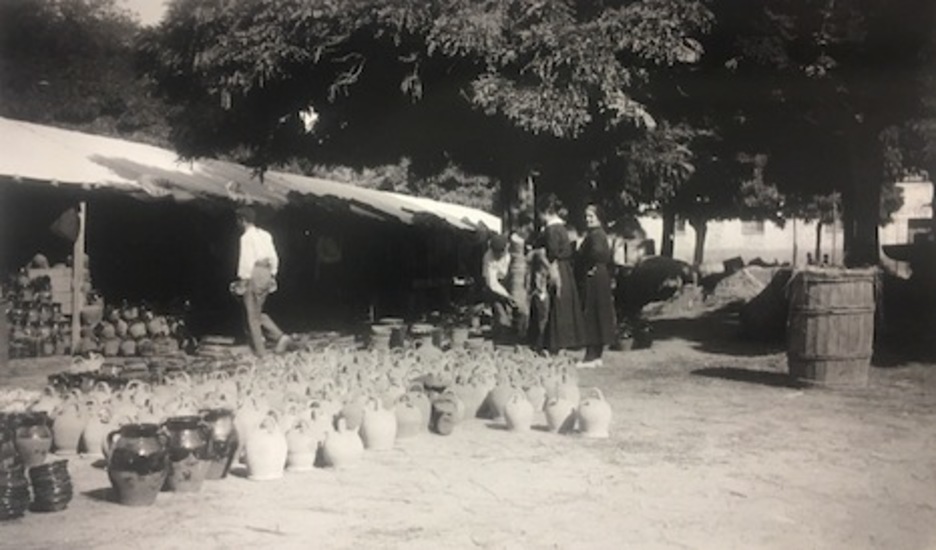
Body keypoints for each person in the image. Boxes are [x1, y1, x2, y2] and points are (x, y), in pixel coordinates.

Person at [230, 207, 290, 356]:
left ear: (242, 220)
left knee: (251, 315)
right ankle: (281, 337)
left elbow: (246, 260)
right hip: (266, 271)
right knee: (257, 312)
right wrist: (272, 275)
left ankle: (260, 352)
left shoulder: (246, 238)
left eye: (238, 220)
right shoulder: (265, 235)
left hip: (254, 272)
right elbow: (274, 256)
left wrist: (243, 280)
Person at [534, 194, 585, 354]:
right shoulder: (562, 228)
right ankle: (565, 340)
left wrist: (541, 257)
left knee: (556, 303)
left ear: (546, 212)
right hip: (565, 267)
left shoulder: (552, 229)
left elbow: (552, 251)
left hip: (555, 267)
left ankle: (556, 342)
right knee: (564, 303)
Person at [576, 204, 617, 368]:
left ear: (599, 217)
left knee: (591, 314)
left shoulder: (596, 235)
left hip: (594, 277)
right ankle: (597, 354)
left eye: (591, 216)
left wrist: (589, 262)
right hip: (600, 276)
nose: (588, 219)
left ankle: (591, 355)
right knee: (599, 313)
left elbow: (598, 253)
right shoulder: (598, 234)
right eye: (586, 216)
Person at [482, 233, 517, 343]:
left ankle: (514, 334)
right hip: (496, 287)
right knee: (500, 312)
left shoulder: (512, 252)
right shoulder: (488, 258)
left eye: (501, 252)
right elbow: (492, 283)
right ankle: (501, 338)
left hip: (511, 281)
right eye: (496, 253)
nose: (499, 255)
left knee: (516, 313)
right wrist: (507, 296)